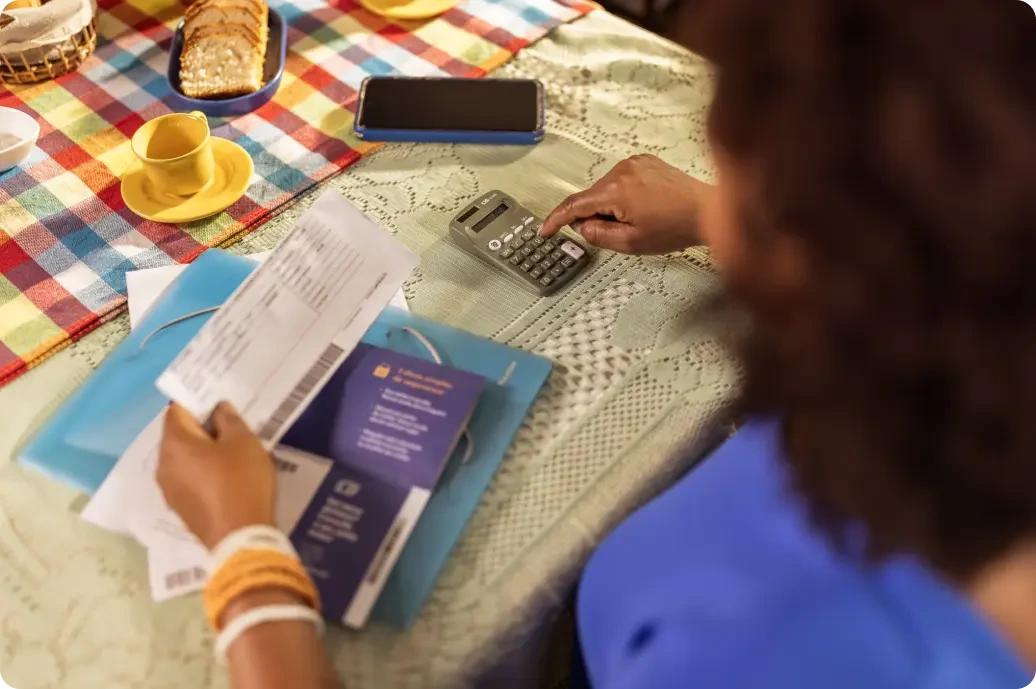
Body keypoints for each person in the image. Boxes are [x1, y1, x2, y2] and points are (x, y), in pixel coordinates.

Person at [156, 0, 1036, 687]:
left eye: (727, 160)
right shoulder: (950, 359)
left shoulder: (773, 649)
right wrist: (717, 216)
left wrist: (247, 558)